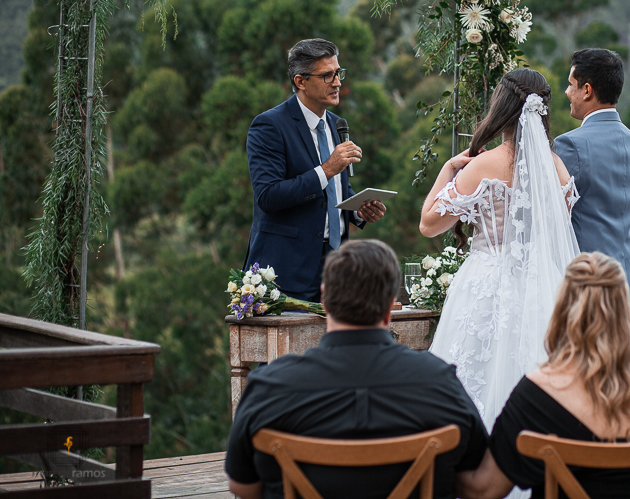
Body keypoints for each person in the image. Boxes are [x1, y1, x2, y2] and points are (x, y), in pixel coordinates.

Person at [226, 239, 489, 499]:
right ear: (390, 307)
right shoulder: (440, 383)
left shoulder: (268, 387)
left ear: (324, 300)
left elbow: (242, 487)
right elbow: (476, 480)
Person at [455, 252, 630, 499]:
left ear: (564, 309)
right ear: (623, 313)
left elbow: (483, 490)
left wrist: (443, 460)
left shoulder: (535, 394)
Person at [419, 68, 580, 432]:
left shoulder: (483, 166)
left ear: (502, 107)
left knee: (474, 380)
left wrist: (447, 169)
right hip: (542, 288)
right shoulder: (557, 170)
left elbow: (429, 223)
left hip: (486, 285)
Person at [245, 38, 385, 302]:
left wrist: (358, 210)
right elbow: (268, 196)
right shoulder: (269, 126)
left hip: (336, 271)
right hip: (284, 273)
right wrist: (327, 169)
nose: (337, 82)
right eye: (327, 76)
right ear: (300, 81)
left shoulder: (336, 124)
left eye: (338, 73)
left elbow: (335, 192)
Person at [554, 48, 630, 306]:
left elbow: (552, 218)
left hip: (583, 287)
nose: (567, 92)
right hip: (626, 286)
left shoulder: (569, 145)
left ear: (587, 90)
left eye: (571, 84)